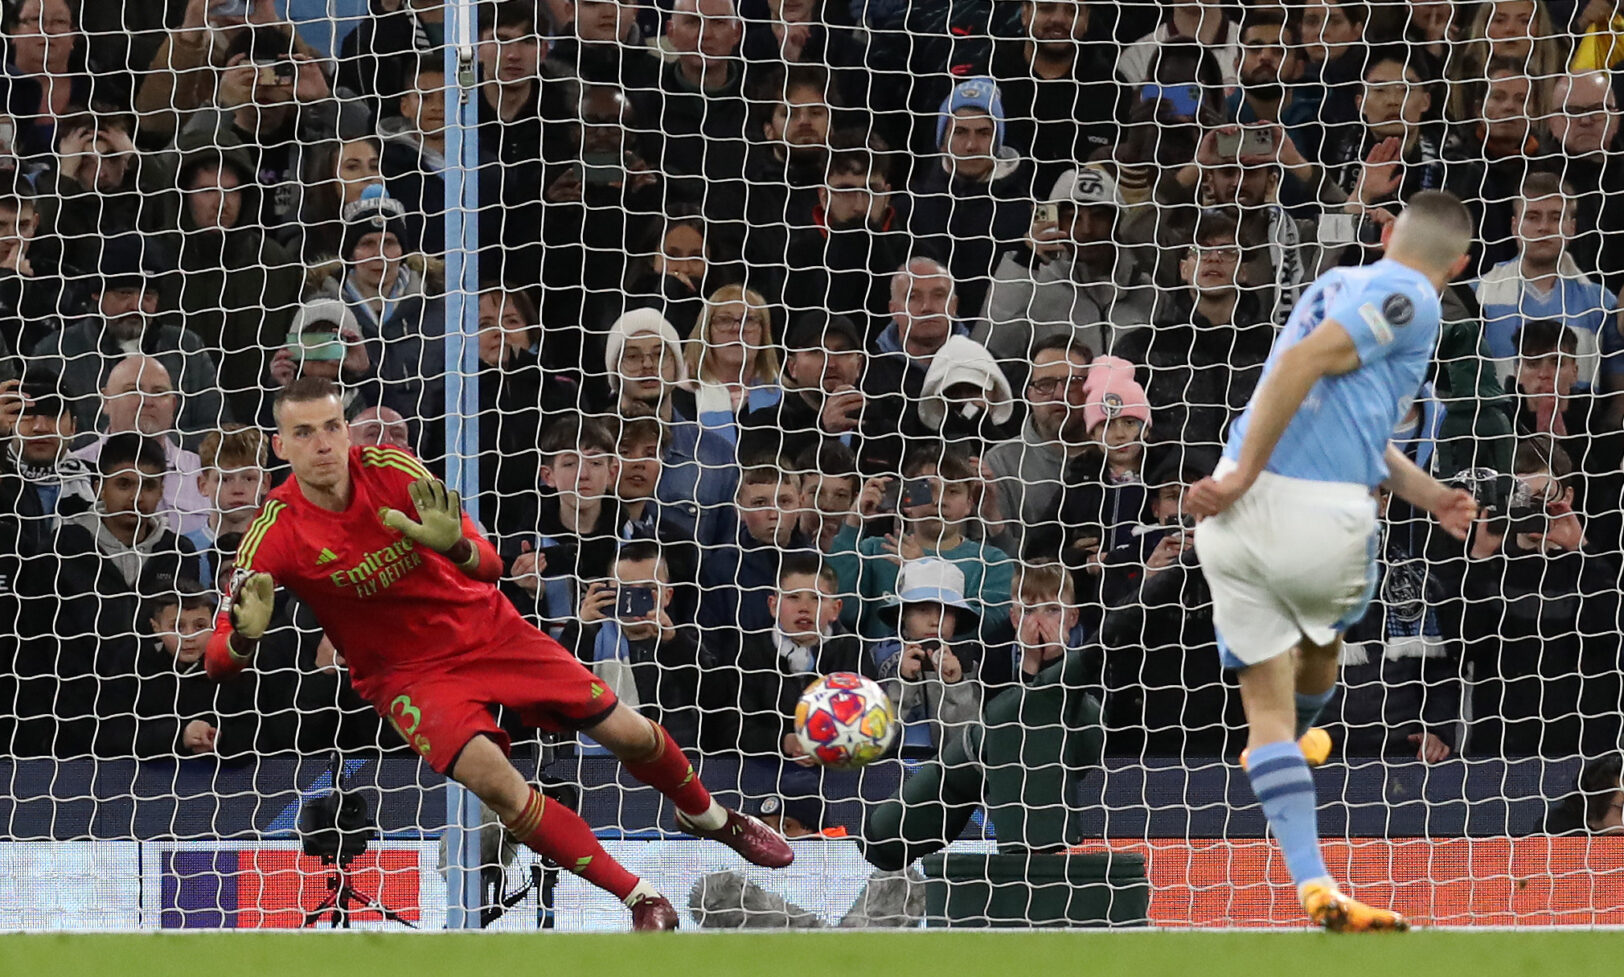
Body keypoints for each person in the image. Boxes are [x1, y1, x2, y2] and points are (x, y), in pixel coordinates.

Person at [205, 377, 793, 931]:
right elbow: (216, 659)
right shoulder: (274, 529)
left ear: (345, 431)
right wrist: (241, 637)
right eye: (304, 433)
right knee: (499, 786)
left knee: (631, 734)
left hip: (487, 630)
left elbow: (490, 566)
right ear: (280, 446)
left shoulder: (392, 470)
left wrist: (455, 543)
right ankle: (642, 898)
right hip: (408, 677)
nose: (322, 443)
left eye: (331, 426)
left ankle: (709, 817)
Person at [1186, 190, 1480, 931]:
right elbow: (1303, 366)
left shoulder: (1328, 285)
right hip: (1311, 511)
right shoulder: (1413, 294)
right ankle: (1303, 729)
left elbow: (1348, 417)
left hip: (1232, 529)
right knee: (1325, 648)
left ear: (1386, 233)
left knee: (1269, 717)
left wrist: (1433, 494)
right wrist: (1243, 475)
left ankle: (1316, 883)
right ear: (1462, 262)